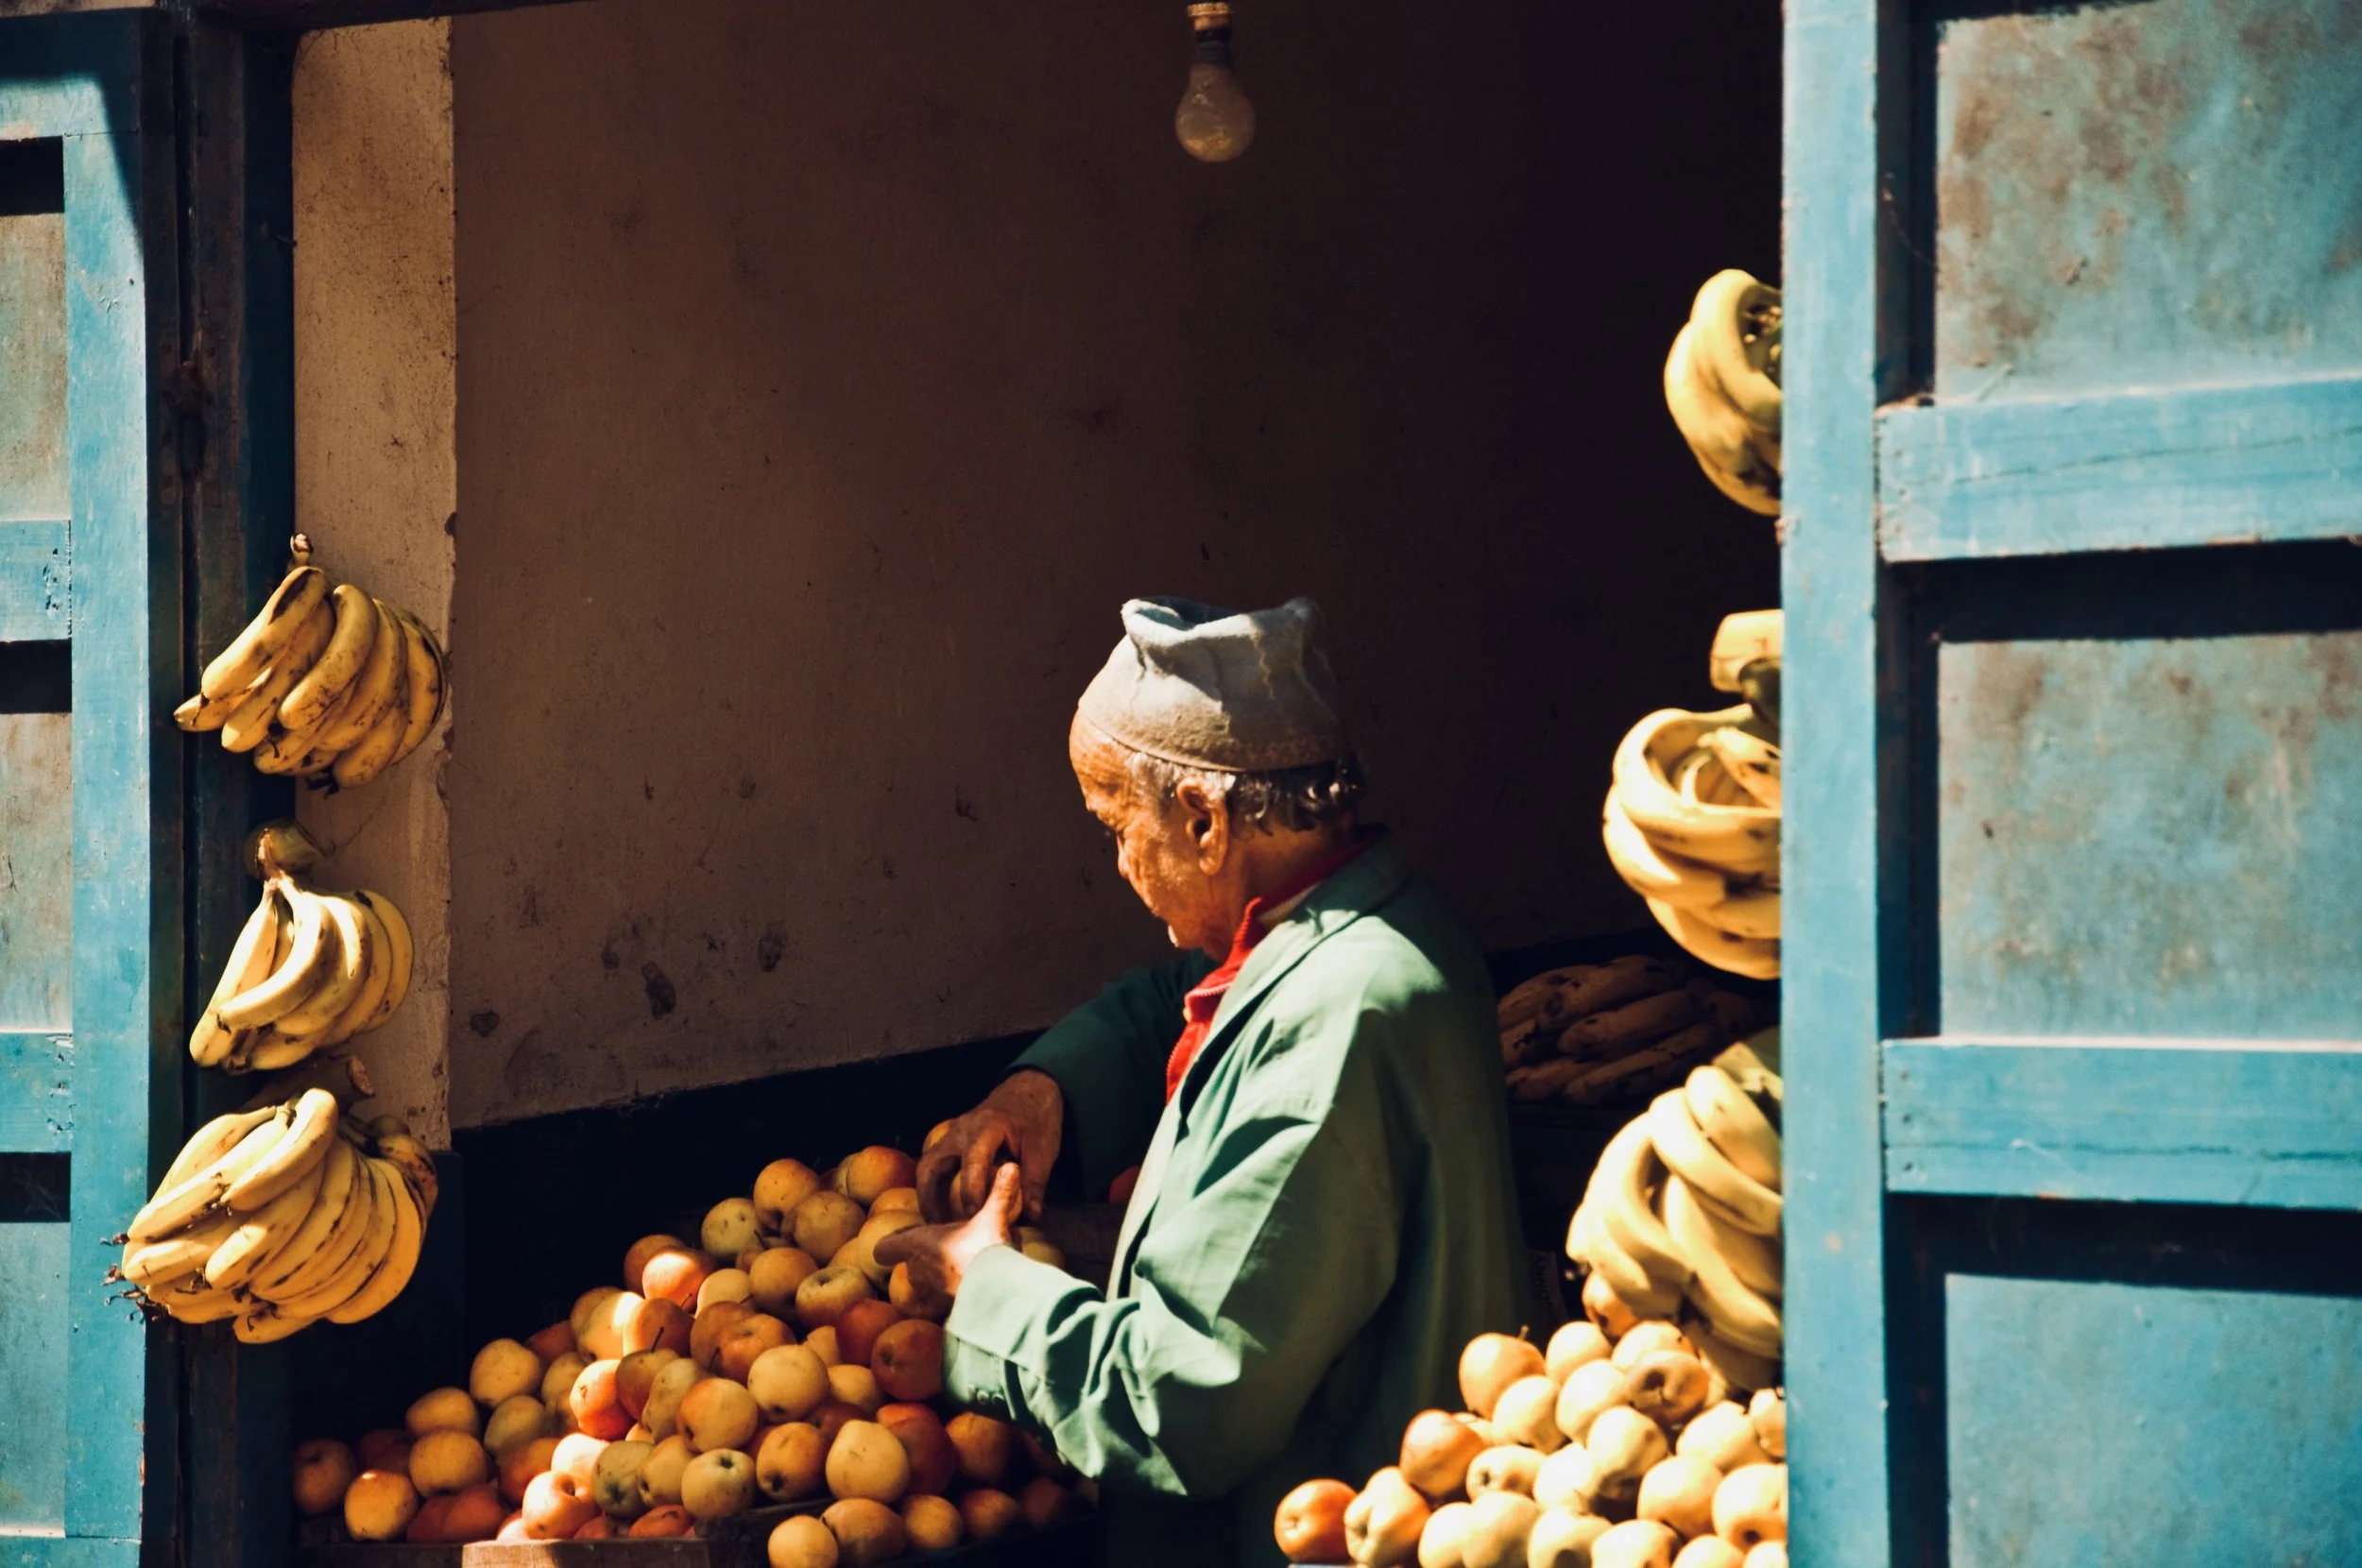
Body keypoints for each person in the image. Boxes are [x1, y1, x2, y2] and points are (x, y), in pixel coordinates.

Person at [878, 596, 1526, 1568]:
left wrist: (986, 1288)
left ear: (1203, 820)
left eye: (1114, 825)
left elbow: (1182, 1403)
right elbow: (1185, 998)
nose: (1118, 863)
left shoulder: (1338, 1019)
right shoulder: (1360, 923)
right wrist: (1043, 1092)